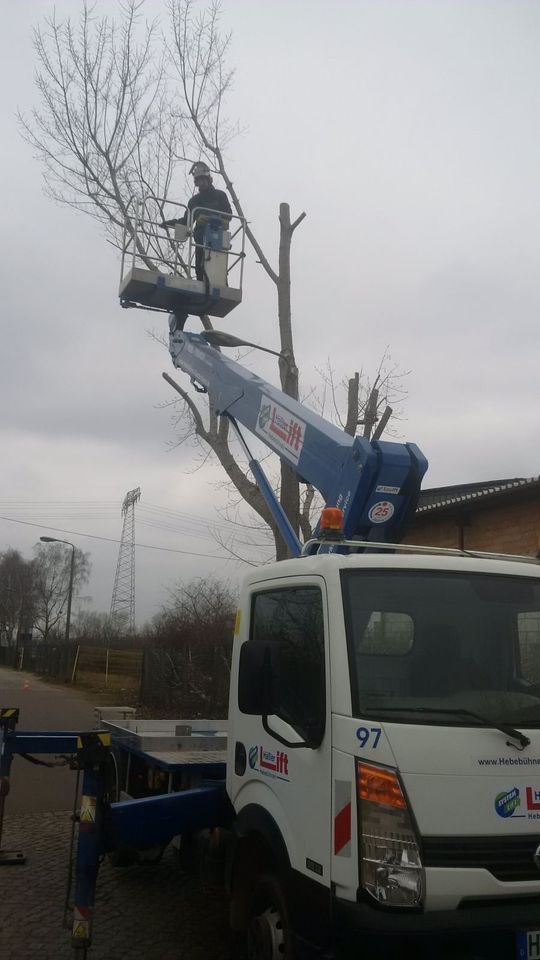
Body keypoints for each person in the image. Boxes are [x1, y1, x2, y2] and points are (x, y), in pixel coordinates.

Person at [161, 162, 232, 281]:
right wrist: (169, 223)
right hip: (200, 240)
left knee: (218, 272)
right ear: (196, 182)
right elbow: (186, 222)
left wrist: (211, 217)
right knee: (200, 268)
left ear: (209, 179)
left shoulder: (220, 196)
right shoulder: (194, 201)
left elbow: (228, 215)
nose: (202, 182)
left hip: (217, 241)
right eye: (199, 180)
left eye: (203, 179)